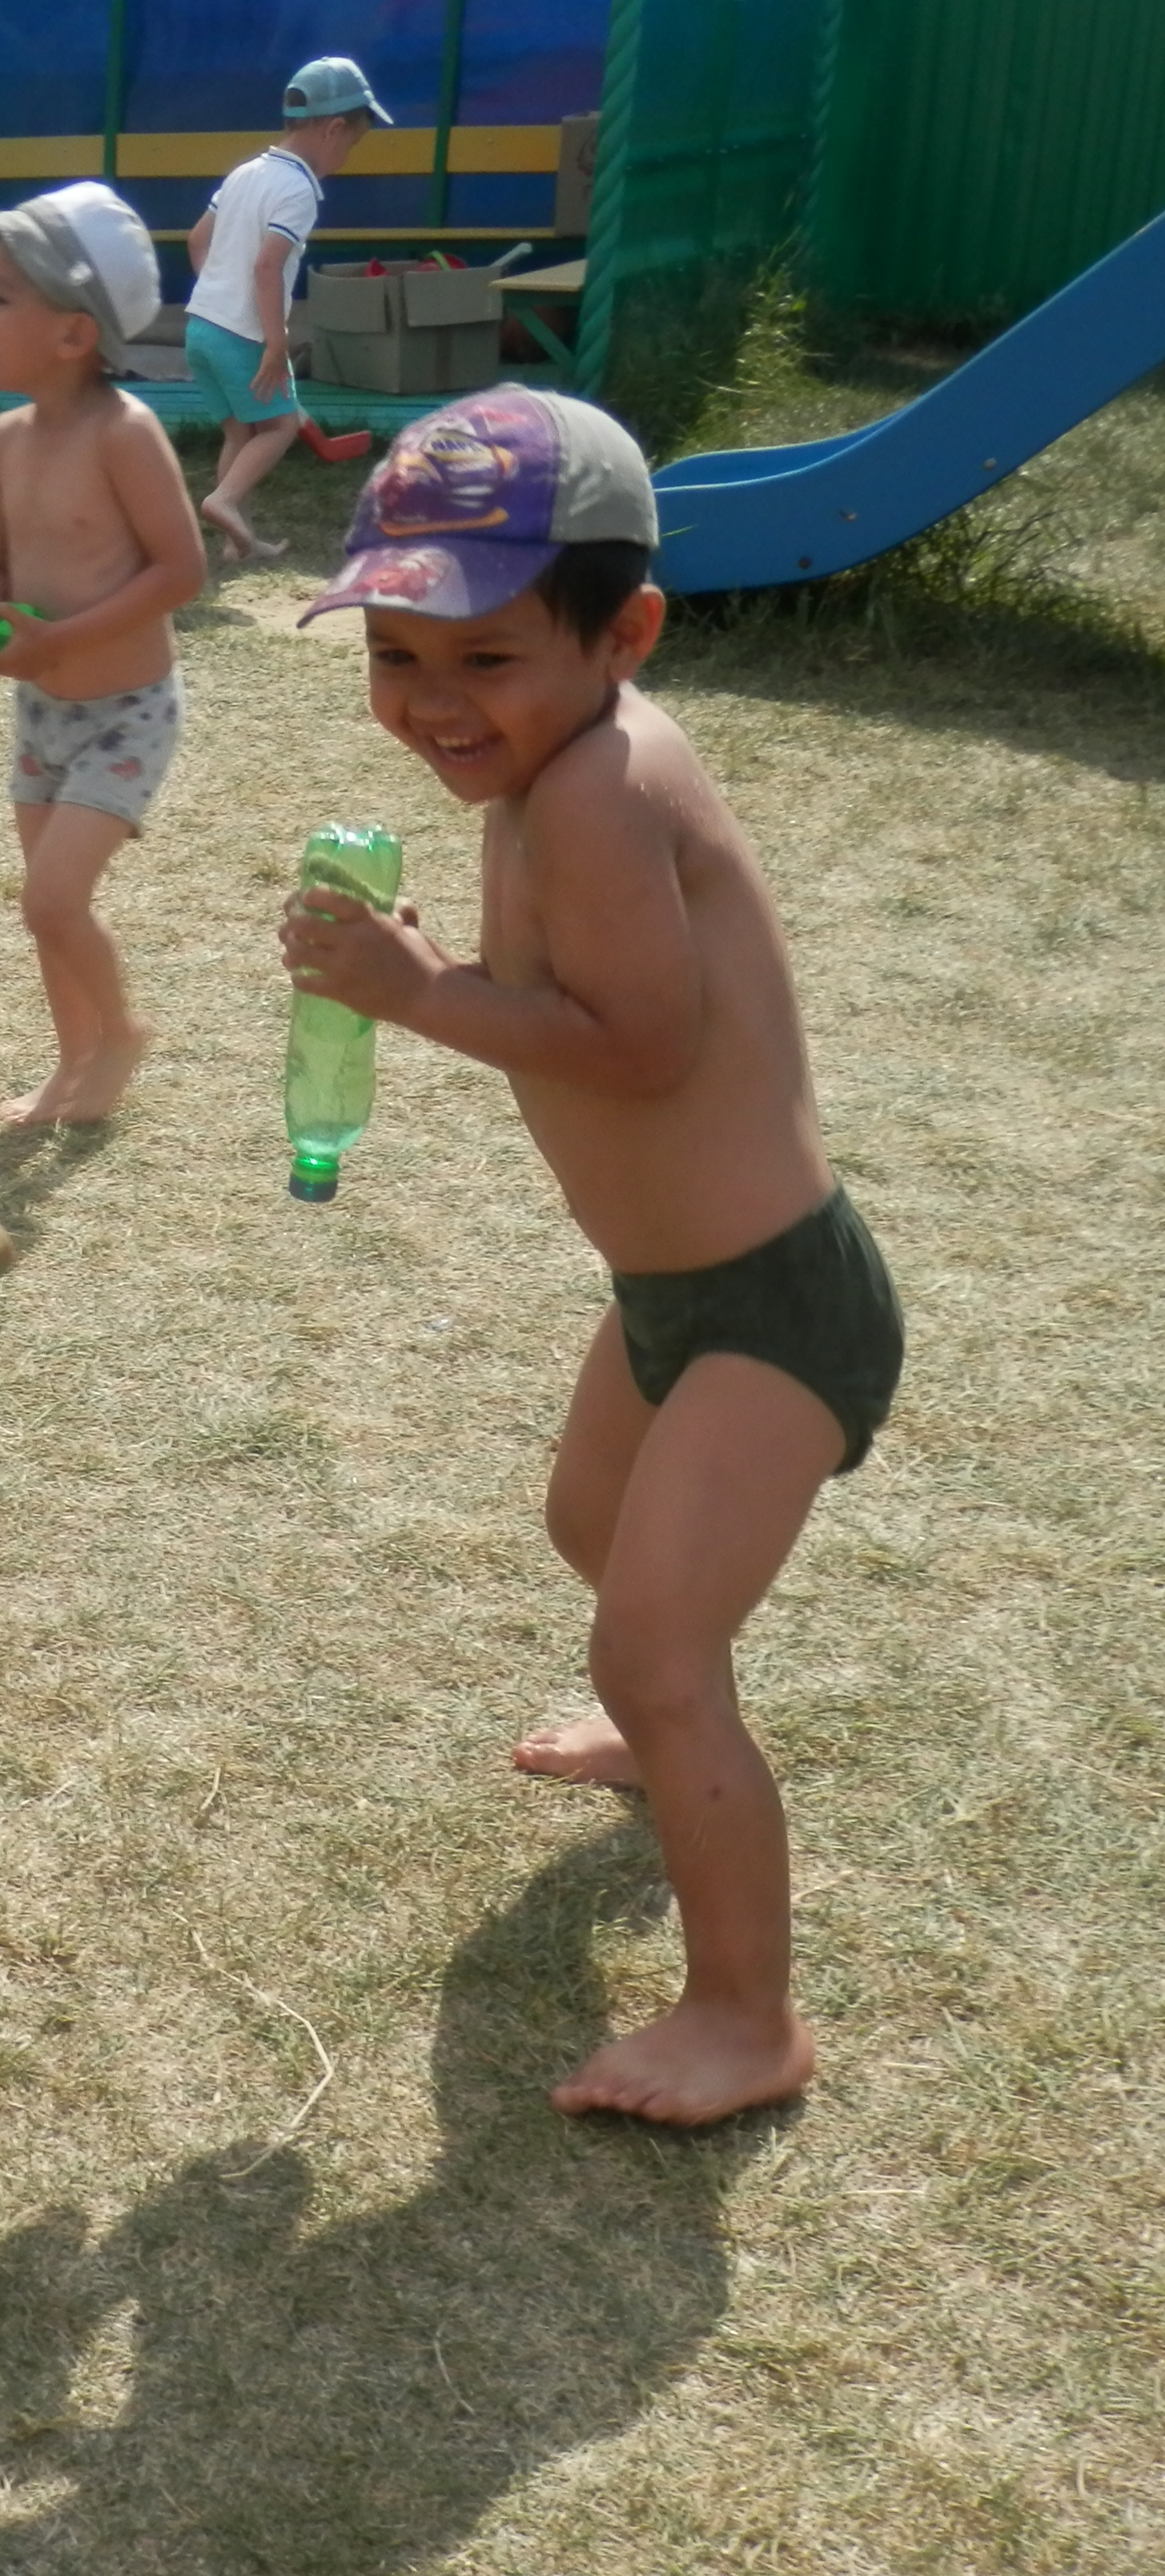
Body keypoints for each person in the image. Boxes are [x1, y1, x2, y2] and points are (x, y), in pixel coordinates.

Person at [280, 388, 902, 2127]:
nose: (428, 703)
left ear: (621, 633)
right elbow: (571, 998)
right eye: (393, 657)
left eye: (479, 657)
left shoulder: (595, 795)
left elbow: (636, 1045)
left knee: (649, 1641)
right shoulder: (556, 765)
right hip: (669, 1294)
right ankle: (661, 1724)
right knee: (593, 1535)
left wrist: (416, 995)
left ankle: (744, 2019)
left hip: (773, 1304)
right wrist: (432, 970)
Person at [0, 183, 207, 1126]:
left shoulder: (123, 434)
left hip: (125, 716)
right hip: (41, 713)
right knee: (43, 908)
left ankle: (122, 1034)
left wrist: (55, 639)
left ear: (73, 333)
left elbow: (181, 571)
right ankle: (71, 1065)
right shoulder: (0, 441)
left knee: (53, 901)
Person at [183, 56, 391, 561]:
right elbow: (267, 267)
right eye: (351, 143)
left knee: (240, 433)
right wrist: (276, 343)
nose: (346, 157)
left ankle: (238, 542)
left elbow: (196, 241)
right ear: (333, 128)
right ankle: (224, 501)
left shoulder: (245, 172)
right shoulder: (298, 190)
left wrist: (217, 293)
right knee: (279, 428)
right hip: (244, 337)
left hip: (201, 328)